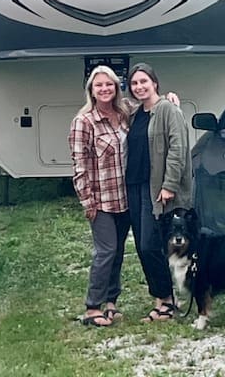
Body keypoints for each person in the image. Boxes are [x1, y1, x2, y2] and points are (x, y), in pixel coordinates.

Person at [125, 62, 192, 322]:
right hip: (136, 186)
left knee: (150, 245)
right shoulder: (135, 113)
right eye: (134, 83)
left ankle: (167, 301)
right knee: (142, 247)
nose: (139, 87)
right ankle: (161, 298)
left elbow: (178, 148)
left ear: (155, 83)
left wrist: (169, 185)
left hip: (158, 189)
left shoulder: (167, 110)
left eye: (144, 81)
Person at [68, 65, 131, 327]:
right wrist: (87, 201)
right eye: (99, 85)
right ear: (91, 91)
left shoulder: (124, 114)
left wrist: (170, 99)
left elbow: (151, 105)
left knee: (117, 253)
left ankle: (111, 302)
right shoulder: (84, 122)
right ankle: (93, 307)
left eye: (109, 84)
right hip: (101, 200)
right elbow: (79, 165)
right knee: (106, 251)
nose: (104, 89)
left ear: (116, 88)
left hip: (125, 198)